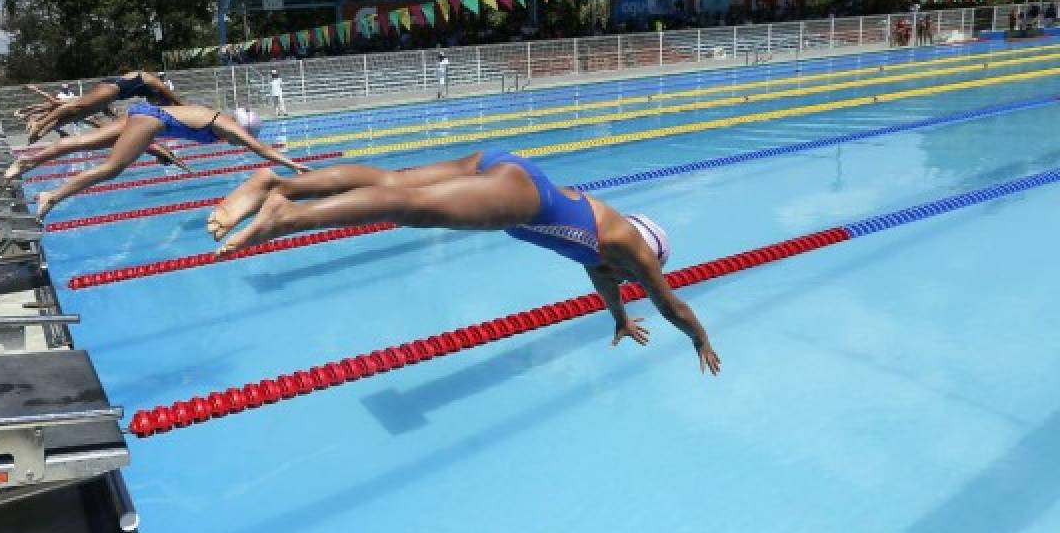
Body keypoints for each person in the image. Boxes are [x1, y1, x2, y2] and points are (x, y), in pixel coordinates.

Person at [206, 150, 721, 374]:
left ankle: (276, 183)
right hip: (524, 198)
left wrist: (620, 320)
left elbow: (610, 290)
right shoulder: (628, 245)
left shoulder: (603, 258)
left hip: (506, 166)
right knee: (410, 208)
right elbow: (669, 301)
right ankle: (286, 214)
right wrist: (700, 338)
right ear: (650, 253)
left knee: (394, 182)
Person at [5, 103, 311, 218]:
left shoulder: (217, 117)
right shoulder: (229, 126)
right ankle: (52, 195)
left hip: (145, 115)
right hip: (150, 121)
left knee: (82, 142)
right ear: (243, 127)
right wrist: (292, 165)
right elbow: (259, 150)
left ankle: (26, 163)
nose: (235, 141)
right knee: (112, 168)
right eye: (242, 135)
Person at [20, 71, 182, 143]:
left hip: (111, 95)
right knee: (74, 105)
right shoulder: (155, 83)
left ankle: (41, 132)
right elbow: (178, 102)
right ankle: (39, 124)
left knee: (78, 115)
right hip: (112, 89)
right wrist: (182, 108)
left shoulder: (150, 89)